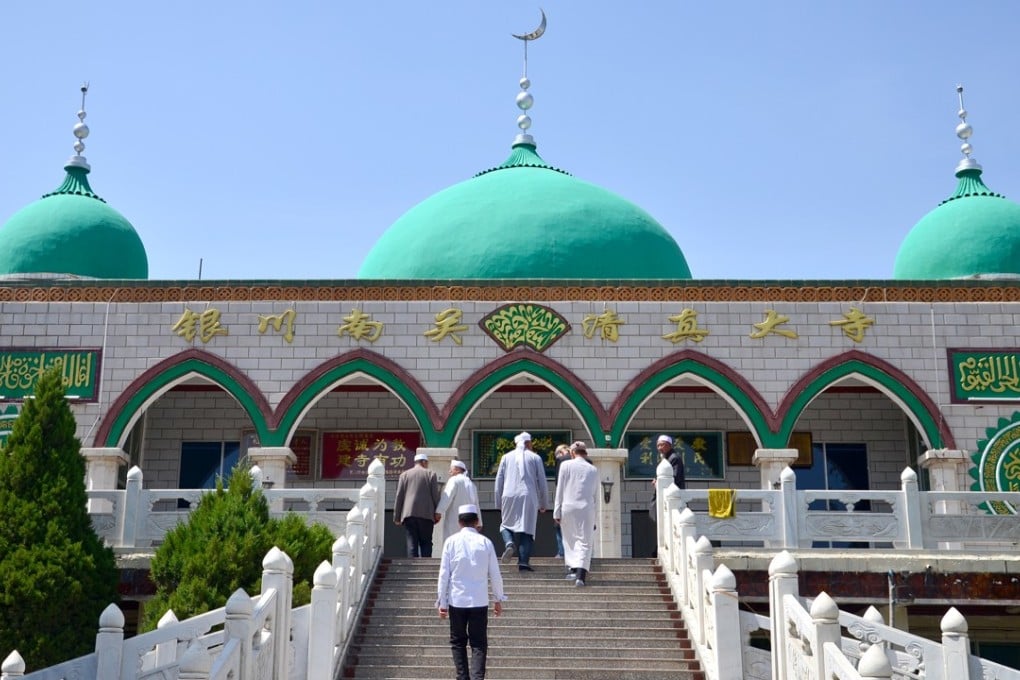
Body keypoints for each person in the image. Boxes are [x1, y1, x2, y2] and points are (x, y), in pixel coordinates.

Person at [437, 503, 506, 680]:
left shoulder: (451, 542)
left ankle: (462, 677)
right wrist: (498, 598)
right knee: (479, 643)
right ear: (476, 521)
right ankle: (477, 678)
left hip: (457, 600)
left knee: (458, 642)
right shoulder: (485, 542)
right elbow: (495, 574)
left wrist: (442, 602)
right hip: (479, 600)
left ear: (459, 522)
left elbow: (444, 574)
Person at [494, 431, 548, 571]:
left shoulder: (506, 457)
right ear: (528, 443)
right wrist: (544, 503)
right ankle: (523, 562)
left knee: (506, 525)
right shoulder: (535, 457)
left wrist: (498, 502)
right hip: (528, 496)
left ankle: (509, 543)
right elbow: (542, 482)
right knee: (527, 529)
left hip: (508, 495)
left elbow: (499, 480)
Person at [554, 440, 600, 587]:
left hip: (568, 507)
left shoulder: (565, 465)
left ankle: (573, 570)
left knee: (570, 540)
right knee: (585, 542)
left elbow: (559, 490)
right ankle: (581, 575)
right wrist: (595, 518)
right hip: (586, 508)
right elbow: (595, 496)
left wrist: (557, 511)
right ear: (585, 453)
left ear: (573, 453)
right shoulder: (592, 469)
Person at [393, 451, 441, 558]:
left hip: (409, 514)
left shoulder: (404, 475)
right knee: (426, 542)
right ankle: (426, 566)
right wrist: (438, 512)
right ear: (424, 462)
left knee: (412, 542)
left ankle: (411, 565)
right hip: (427, 515)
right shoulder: (431, 474)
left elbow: (399, 497)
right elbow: (435, 495)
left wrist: (397, 517)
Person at [436, 459, 481, 542]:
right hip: (470, 523)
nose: (449, 472)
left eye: (451, 469)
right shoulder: (471, 484)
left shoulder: (454, 480)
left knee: (452, 543)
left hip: (455, 521)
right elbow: (476, 504)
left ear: (457, 470)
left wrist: (438, 512)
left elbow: (447, 497)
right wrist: (479, 523)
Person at [552, 444, 572, 559]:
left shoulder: (561, 460)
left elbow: (558, 482)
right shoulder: (580, 460)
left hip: (565, 498)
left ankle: (562, 551)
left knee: (558, 526)